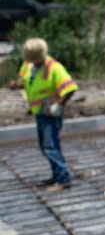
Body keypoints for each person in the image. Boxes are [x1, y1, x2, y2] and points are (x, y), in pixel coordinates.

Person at [7, 38, 78, 191]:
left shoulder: (54, 67)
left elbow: (71, 87)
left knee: (50, 146)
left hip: (50, 113)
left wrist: (59, 105)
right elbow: (26, 81)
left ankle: (63, 178)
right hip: (40, 112)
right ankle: (56, 176)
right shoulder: (28, 64)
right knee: (46, 145)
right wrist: (16, 85)